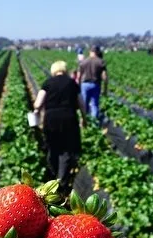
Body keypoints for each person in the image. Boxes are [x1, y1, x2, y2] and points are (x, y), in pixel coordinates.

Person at [33, 60, 88, 194]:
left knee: (53, 148)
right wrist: (84, 118)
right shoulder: (72, 83)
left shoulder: (48, 83)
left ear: (53, 70)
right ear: (65, 69)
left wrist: (37, 114)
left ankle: (52, 176)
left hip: (51, 120)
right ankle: (61, 182)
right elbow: (81, 103)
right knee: (66, 151)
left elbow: (37, 103)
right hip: (69, 119)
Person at [78, 45, 108, 121]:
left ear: (90, 51)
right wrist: (105, 89)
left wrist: (78, 86)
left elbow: (79, 75)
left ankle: (85, 121)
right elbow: (104, 77)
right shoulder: (101, 61)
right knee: (94, 105)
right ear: (97, 52)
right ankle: (94, 122)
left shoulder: (84, 61)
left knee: (84, 104)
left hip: (84, 84)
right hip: (96, 84)